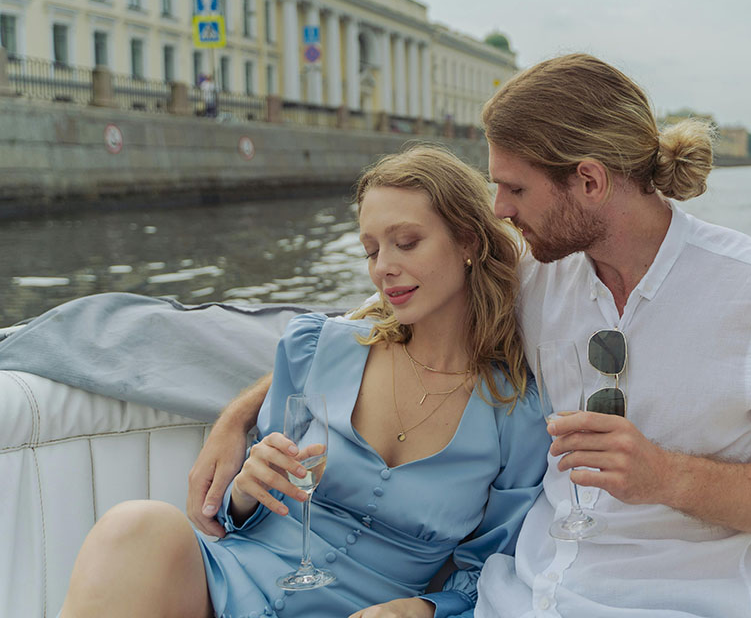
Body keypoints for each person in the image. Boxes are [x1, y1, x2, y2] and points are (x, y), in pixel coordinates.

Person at [189, 54, 751, 617]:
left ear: (590, 182)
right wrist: (236, 417)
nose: (499, 210)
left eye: (513, 189)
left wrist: (668, 476)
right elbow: (374, 329)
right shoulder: (537, 279)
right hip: (507, 601)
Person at [62, 146, 549, 618]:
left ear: (468, 241)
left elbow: (496, 565)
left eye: (407, 242)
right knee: (135, 526)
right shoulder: (318, 347)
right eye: (371, 250)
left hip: (372, 611)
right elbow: (241, 511)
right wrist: (245, 490)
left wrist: (424, 608)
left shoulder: (514, 409)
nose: (384, 268)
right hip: (231, 581)